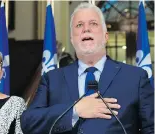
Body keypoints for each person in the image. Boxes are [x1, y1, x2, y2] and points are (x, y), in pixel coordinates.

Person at [21, 2, 154, 134]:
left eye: (93, 24)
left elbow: (151, 128)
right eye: (79, 25)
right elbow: (28, 122)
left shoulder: (135, 77)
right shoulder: (51, 79)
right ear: (72, 39)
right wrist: (75, 110)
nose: (86, 29)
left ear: (105, 36)